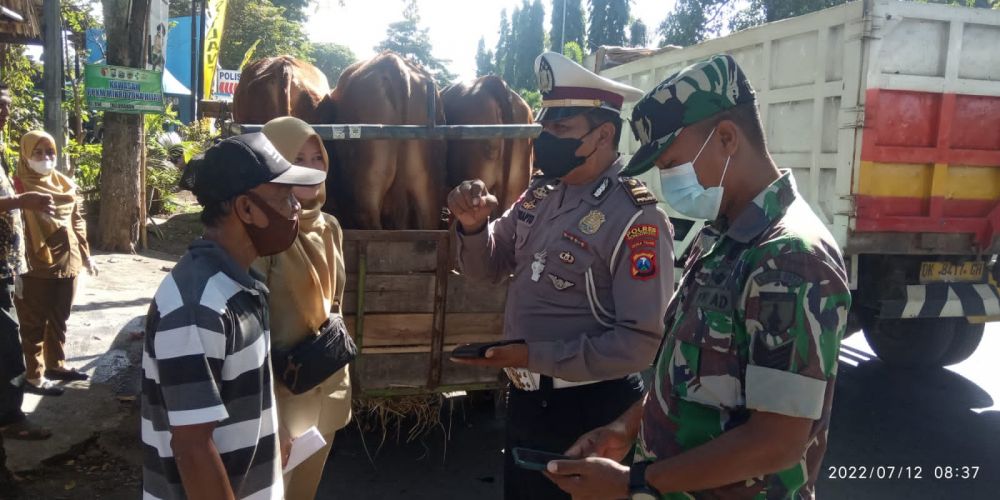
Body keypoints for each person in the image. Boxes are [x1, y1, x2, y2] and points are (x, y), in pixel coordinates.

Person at [544, 55, 851, 500]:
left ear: (727, 138)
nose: (668, 180)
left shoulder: (788, 258)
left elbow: (778, 441)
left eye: (671, 163)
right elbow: (694, 373)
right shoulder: (723, 236)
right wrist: (625, 428)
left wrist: (633, 484)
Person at [448, 51, 674, 500]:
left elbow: (640, 343)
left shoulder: (636, 217)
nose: (543, 140)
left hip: (592, 412)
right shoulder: (542, 193)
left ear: (603, 135)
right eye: (544, 127)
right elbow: (488, 268)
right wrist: (472, 227)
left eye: (560, 130)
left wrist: (533, 355)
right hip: (528, 403)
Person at [140, 133, 325, 500]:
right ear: (246, 209)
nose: (296, 208)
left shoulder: (242, 285)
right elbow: (193, 449)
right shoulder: (196, 307)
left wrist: (274, 434)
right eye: (284, 197)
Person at [256, 117, 351, 500]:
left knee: (303, 493)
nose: (312, 167)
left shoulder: (329, 226)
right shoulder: (263, 231)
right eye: (297, 157)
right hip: (282, 399)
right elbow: (252, 330)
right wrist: (270, 418)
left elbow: (336, 305)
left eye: (317, 157)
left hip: (328, 388)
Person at [0, 85, 55, 490]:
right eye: (0, 106)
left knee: (9, 345)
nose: (5, 113)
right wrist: (23, 203)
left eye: (7, 106)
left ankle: (9, 416)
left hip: (6, 266)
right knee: (8, 349)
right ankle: (10, 418)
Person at [14, 130, 96, 395]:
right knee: (33, 321)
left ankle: (56, 365)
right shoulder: (17, 185)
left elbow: (77, 219)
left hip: (67, 260)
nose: (45, 157)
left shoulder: (64, 184)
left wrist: (85, 254)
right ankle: (34, 375)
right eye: (37, 152)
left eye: (49, 152)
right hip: (35, 264)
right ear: (25, 155)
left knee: (59, 318)